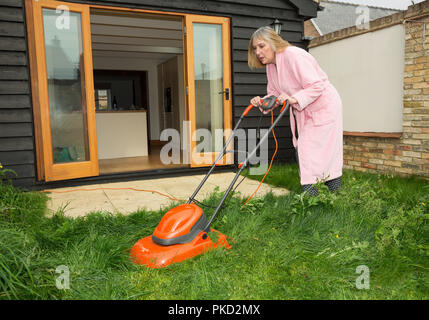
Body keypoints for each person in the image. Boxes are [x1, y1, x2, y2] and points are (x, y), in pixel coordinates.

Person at [248, 26, 343, 196]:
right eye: (255, 48)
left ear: (273, 42)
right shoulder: (272, 66)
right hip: (306, 110)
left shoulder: (293, 55)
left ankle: (325, 196)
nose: (258, 52)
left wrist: (294, 98)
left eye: (261, 46)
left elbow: (317, 85)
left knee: (316, 152)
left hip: (324, 106)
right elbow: (275, 95)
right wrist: (262, 102)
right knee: (308, 151)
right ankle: (321, 197)